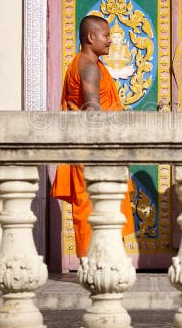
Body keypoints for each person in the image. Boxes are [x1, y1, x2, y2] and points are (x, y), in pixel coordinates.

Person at [52, 15, 136, 258]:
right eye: (106, 35)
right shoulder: (89, 67)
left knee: (102, 208)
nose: (110, 41)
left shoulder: (85, 63)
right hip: (95, 151)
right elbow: (93, 111)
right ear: (91, 37)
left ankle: (103, 260)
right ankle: (95, 262)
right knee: (96, 208)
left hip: (92, 150)